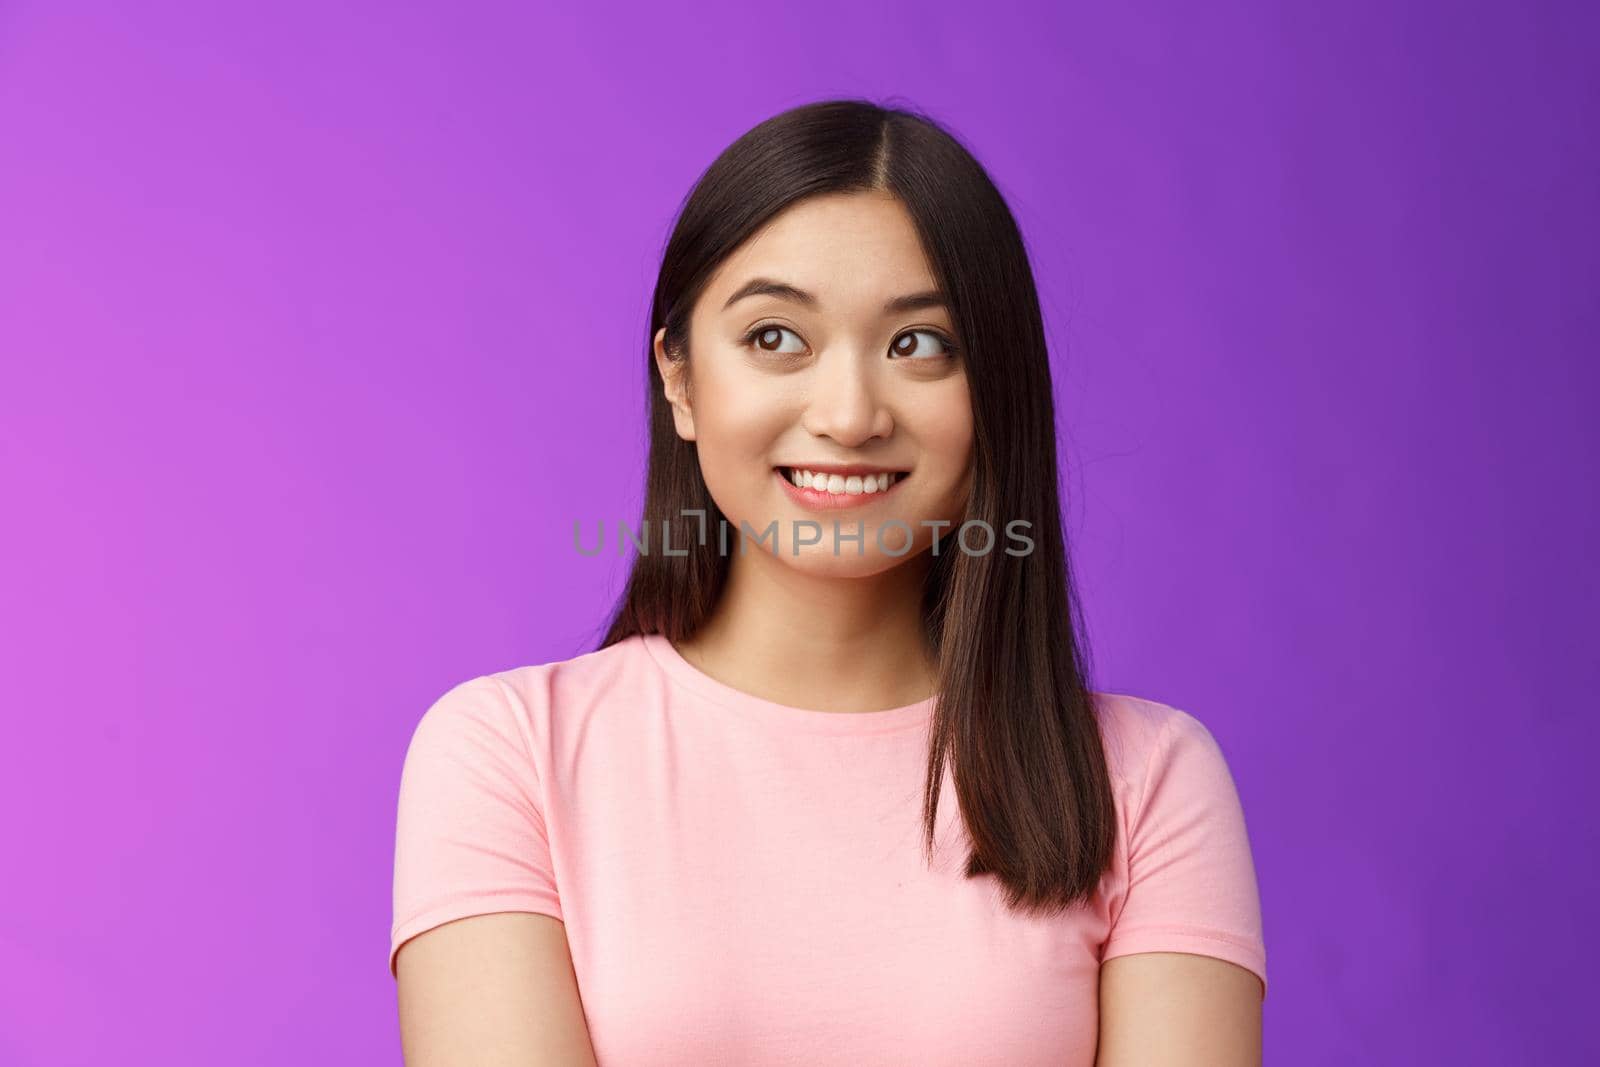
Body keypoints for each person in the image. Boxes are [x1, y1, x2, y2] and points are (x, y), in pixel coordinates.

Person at [390, 98, 1267, 1065]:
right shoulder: (509, 755)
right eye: (775, 338)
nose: (849, 414)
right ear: (680, 380)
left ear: (996, 392)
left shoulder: (1146, 780)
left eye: (919, 345)